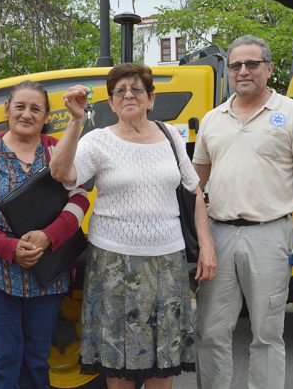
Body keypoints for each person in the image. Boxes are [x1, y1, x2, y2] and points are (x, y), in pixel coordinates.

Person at [50, 62, 217, 389]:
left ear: (151, 99)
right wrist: (75, 121)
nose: (128, 95)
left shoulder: (170, 136)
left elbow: (194, 190)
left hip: (167, 262)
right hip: (114, 264)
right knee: (119, 363)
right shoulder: (97, 140)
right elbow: (62, 173)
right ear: (111, 103)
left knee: (162, 360)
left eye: (137, 89)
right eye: (120, 91)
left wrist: (207, 247)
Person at [192, 35, 293, 389]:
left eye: (252, 64)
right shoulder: (213, 119)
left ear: (268, 68)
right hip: (219, 236)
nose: (243, 71)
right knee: (210, 331)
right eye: (236, 65)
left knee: (267, 334)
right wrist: (198, 241)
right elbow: (195, 185)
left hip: (270, 234)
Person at [0, 80, 90, 389]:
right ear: (7, 110)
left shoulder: (56, 148)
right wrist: (8, 246)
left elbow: (79, 198)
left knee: (36, 361)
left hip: (46, 274)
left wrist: (49, 236)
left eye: (36, 109)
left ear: (46, 117)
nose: (27, 114)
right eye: (20, 106)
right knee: (0, 361)